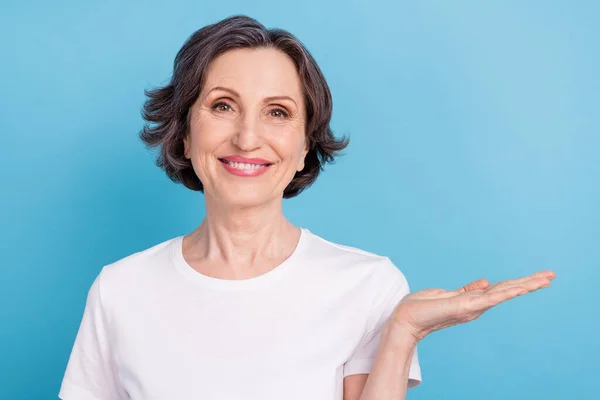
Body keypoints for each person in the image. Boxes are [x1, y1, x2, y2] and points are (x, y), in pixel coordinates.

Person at [58, 15, 556, 400]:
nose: (247, 137)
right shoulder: (120, 290)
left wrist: (401, 332)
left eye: (278, 113)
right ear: (185, 134)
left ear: (303, 148)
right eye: (222, 106)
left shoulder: (368, 285)